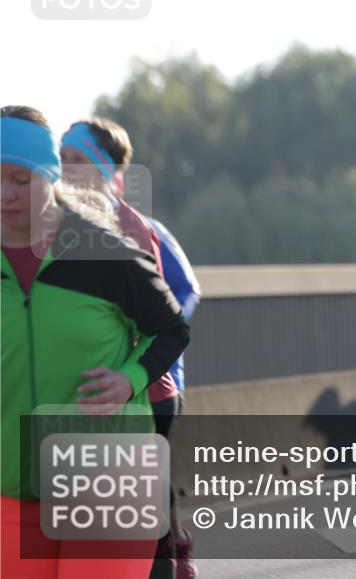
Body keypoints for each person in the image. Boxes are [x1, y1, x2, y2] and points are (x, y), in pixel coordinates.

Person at [1, 105, 190, 579]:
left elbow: (172, 327)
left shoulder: (103, 251)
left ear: (50, 176)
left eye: (21, 180)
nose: (4, 195)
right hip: (11, 489)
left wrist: (130, 379)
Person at [59, 118, 186, 576]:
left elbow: (165, 315)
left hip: (146, 395)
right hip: (95, 398)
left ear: (104, 169)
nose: (65, 170)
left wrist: (127, 373)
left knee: (141, 528)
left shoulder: (126, 228)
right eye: (61, 159)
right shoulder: (62, 226)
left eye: (77, 160)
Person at [148, 215, 202, 579]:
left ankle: (171, 547)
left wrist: (154, 332)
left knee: (152, 461)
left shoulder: (148, 228)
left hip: (161, 375)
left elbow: (187, 290)